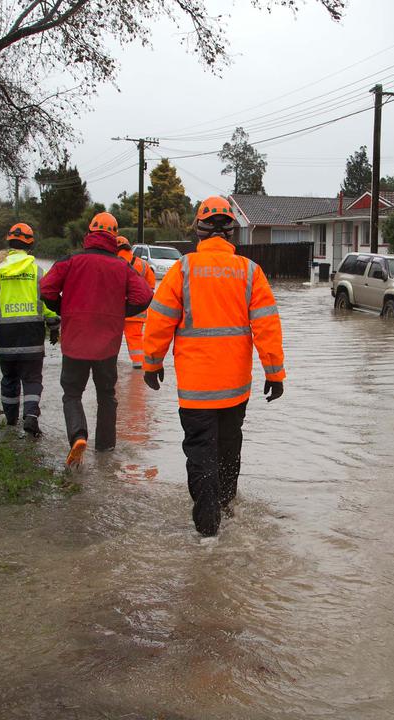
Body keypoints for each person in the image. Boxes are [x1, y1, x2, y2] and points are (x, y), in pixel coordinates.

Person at [141, 196, 286, 536]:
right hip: (235, 388)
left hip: (195, 390)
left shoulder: (183, 269)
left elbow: (159, 320)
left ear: (199, 231)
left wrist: (151, 363)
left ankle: (207, 525)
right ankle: (225, 505)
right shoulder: (250, 272)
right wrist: (274, 373)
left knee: (200, 452)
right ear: (232, 234)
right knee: (229, 446)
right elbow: (267, 325)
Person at [40, 212, 153, 467]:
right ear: (114, 237)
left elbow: (45, 289)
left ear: (89, 234)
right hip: (107, 345)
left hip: (75, 341)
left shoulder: (70, 261)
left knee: (72, 393)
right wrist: (118, 314)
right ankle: (105, 450)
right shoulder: (122, 266)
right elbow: (144, 296)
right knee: (107, 396)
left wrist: (63, 308)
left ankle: (78, 436)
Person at [0, 222, 59, 437]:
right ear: (30, 245)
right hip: (32, 333)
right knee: (32, 378)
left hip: (6, 335)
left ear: (9, 243)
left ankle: (10, 421)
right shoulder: (38, 271)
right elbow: (49, 300)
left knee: (9, 377)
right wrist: (54, 325)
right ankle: (30, 416)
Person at [116, 235, 157, 368]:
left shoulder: (111, 263)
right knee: (135, 337)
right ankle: (139, 364)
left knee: (111, 338)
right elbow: (150, 287)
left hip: (114, 309)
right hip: (137, 311)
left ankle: (109, 363)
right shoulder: (144, 264)